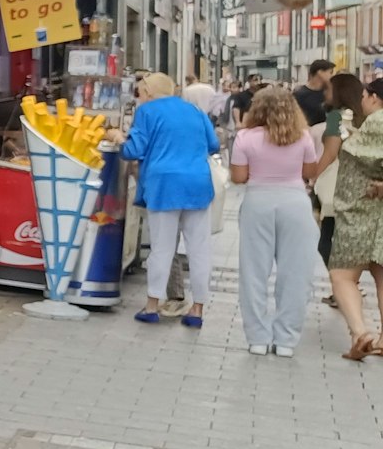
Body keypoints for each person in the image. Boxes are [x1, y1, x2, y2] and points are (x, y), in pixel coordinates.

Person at [120, 72, 220, 329]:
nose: (139, 98)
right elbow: (213, 144)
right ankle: (197, 310)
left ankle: (152, 306)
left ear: (149, 92)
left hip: (164, 185)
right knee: (199, 249)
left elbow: (133, 149)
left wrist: (118, 138)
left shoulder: (147, 111)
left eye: (140, 93)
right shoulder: (195, 111)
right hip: (198, 184)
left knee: (162, 248)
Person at [229, 86, 320, 356]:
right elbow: (310, 171)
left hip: (258, 201)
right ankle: (286, 340)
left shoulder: (245, 137)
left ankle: (257, 338)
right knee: (295, 273)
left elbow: (238, 177)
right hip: (295, 202)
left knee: (254, 272)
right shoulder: (302, 136)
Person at [326, 76, 383, 360]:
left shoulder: (376, 123)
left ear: (373, 97)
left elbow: (354, 154)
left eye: (364, 96)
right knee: (381, 275)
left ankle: (361, 334)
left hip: (360, 211)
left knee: (342, 275)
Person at [318, 72, 369, 273]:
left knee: (327, 239)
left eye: (328, 89)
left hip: (338, 186)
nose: (325, 94)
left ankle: (342, 282)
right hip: (364, 186)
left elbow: (330, 153)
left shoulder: (335, 118)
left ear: (340, 92)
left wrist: (313, 175)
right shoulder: (366, 117)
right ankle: (350, 281)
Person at [295, 59, 333, 128]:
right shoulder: (299, 94)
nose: (331, 76)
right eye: (330, 72)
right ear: (320, 72)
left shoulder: (328, 93)